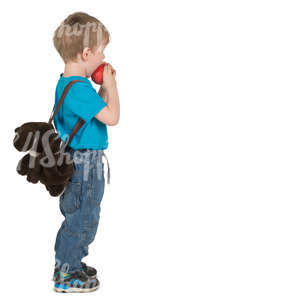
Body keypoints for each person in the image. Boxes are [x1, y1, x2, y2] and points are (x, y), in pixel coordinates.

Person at [51, 11, 120, 293]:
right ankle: (66, 274)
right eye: (101, 51)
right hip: (85, 164)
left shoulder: (69, 83)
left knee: (76, 214)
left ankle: (68, 262)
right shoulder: (79, 89)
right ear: (86, 53)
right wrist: (112, 86)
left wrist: (103, 88)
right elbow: (112, 116)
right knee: (84, 217)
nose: (103, 58)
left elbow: (97, 113)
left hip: (76, 160)